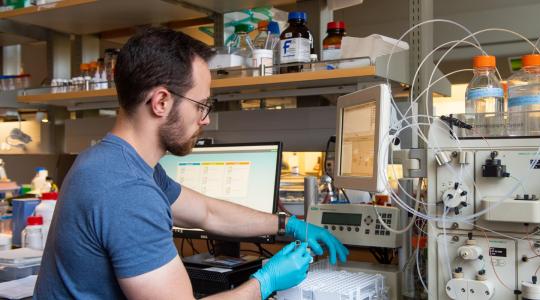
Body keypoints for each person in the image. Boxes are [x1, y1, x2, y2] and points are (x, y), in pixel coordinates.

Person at [34, 27, 348, 299]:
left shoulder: (113, 161)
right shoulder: (126, 188)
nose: (206, 119)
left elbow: (207, 212)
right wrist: (265, 282)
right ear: (161, 102)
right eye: (201, 105)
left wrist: (286, 224)